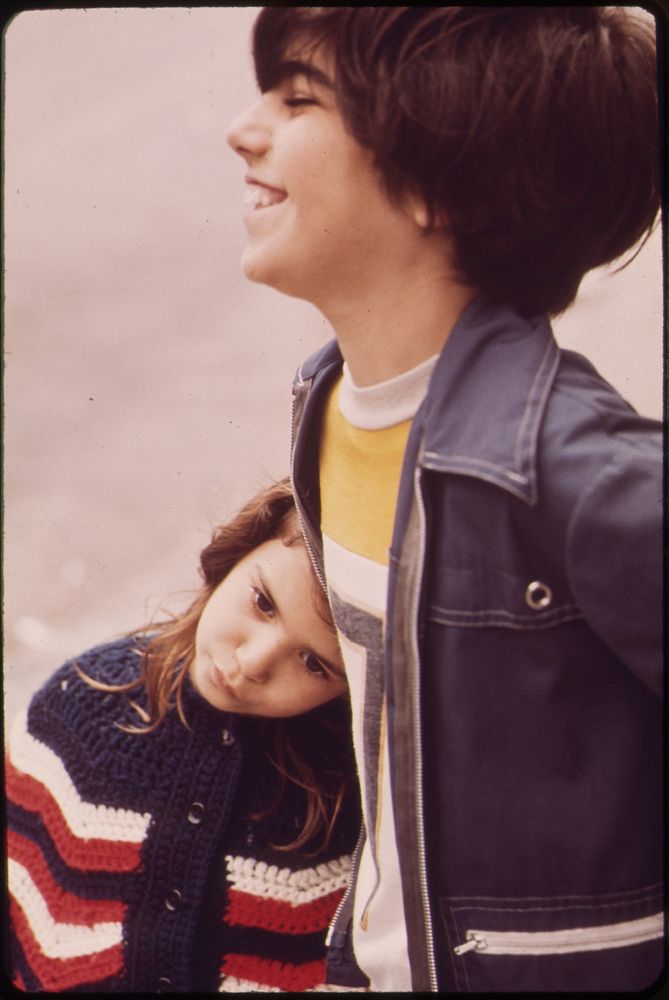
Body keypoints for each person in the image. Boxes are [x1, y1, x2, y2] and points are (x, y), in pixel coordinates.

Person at [226, 6, 664, 994]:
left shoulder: (579, 471)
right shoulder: (327, 405)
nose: (243, 129)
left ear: (431, 183)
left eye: (298, 98)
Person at [5, 479, 363, 993]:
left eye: (313, 663)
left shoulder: (348, 784)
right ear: (238, 550)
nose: (254, 662)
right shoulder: (80, 705)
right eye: (263, 602)